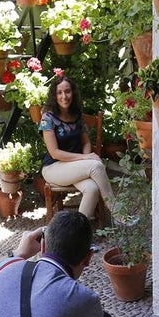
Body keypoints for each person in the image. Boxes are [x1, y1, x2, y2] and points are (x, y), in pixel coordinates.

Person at [38, 75, 114, 223]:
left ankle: (75, 233)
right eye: (59, 92)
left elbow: (86, 143)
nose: (64, 96)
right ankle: (117, 212)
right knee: (97, 166)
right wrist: (86, 160)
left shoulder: (77, 115)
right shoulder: (47, 118)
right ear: (54, 95)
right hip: (53, 168)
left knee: (92, 189)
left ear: (73, 92)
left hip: (74, 167)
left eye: (67, 91)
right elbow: (55, 153)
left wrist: (86, 164)